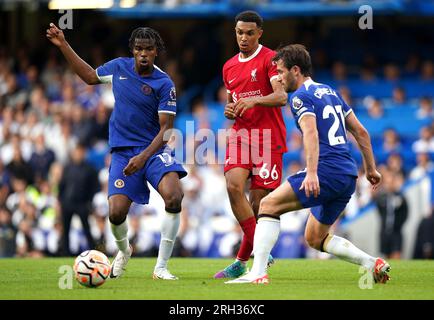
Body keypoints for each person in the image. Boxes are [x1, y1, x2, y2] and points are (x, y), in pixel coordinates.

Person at [227, 44, 391, 284]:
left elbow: (311, 133)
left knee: (268, 205)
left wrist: (312, 173)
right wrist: (371, 169)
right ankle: (371, 263)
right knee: (315, 237)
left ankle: (258, 273)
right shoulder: (330, 92)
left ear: (295, 70)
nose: (279, 79)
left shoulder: (299, 97)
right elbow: (361, 132)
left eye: (281, 72)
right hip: (347, 176)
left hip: (326, 170)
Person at [47, 24, 187, 280]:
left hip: (153, 151)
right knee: (116, 213)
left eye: (149, 49)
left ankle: (161, 267)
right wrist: (64, 45)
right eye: (139, 49)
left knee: (174, 196)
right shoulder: (118, 68)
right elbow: (89, 76)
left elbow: (167, 131)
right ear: (132, 51)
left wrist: (143, 157)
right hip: (123, 152)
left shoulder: (164, 83)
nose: (143, 53)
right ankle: (124, 251)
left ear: (157, 51)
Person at [213, 11, 288, 279]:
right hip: (242, 134)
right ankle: (261, 252)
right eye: (239, 32)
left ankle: (242, 261)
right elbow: (234, 100)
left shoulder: (271, 59)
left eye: (249, 33)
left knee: (259, 205)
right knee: (233, 185)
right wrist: (229, 110)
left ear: (259, 33)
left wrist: (254, 101)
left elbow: (281, 97)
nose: (243, 38)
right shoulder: (229, 66)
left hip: (269, 138)